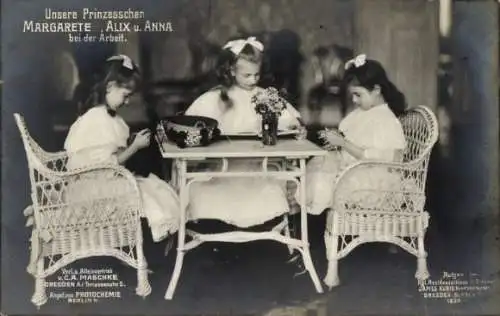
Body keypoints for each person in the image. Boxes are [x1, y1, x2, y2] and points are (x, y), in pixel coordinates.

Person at [183, 36, 306, 227]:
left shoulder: (265, 97)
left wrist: (296, 128)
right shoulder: (215, 98)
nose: (253, 80)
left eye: (256, 75)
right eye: (246, 76)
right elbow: (189, 127)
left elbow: (289, 121)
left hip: (258, 167)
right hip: (222, 169)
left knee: (269, 188)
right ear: (231, 71)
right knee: (208, 190)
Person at [64, 54, 179, 243]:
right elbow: (104, 166)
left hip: (105, 182)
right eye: (125, 96)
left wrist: (131, 142)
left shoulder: (109, 118)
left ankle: (157, 243)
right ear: (109, 87)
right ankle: (156, 244)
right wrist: (134, 147)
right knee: (151, 192)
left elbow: (111, 156)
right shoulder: (97, 118)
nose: (127, 102)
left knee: (155, 189)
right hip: (93, 189)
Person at [305, 54, 407, 215]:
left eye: (358, 95)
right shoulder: (364, 112)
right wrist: (339, 144)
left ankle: (305, 219)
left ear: (376, 90)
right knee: (318, 168)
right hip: (353, 166)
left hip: (373, 179)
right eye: (352, 95)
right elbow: (355, 139)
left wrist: (344, 144)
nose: (353, 100)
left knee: (324, 177)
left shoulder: (385, 120)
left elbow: (380, 159)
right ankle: (301, 219)